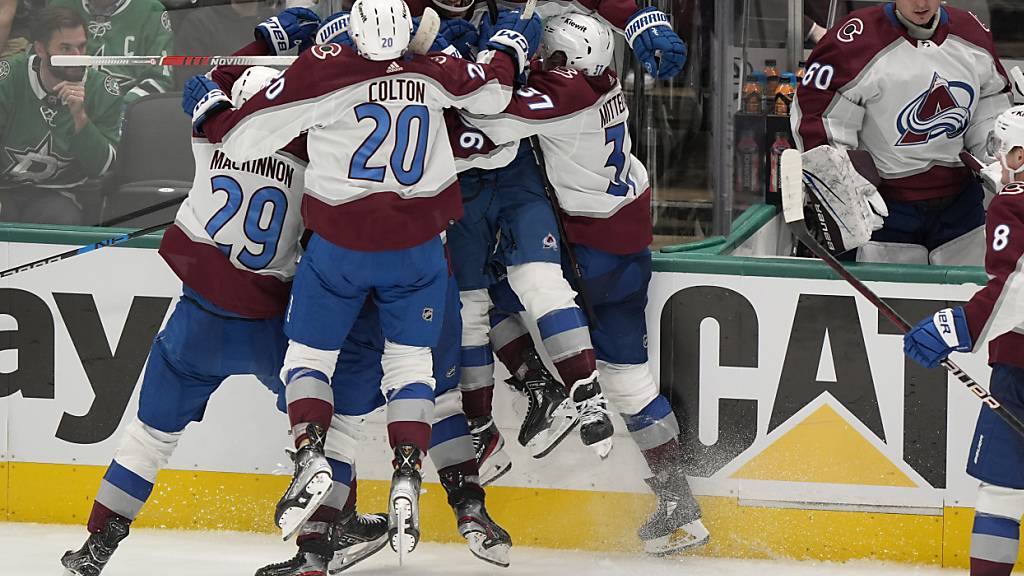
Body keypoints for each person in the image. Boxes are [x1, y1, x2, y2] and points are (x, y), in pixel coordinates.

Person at [186, 0, 536, 554]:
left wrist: (213, 103)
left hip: (340, 259)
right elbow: (497, 121)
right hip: (420, 262)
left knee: (324, 387)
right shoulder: (437, 72)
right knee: (427, 384)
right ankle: (435, 492)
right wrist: (507, 48)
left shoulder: (325, 71)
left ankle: (311, 474)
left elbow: (247, 131)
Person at [59, 64, 391, 576]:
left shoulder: (210, 141)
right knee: (330, 422)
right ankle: (326, 536)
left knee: (149, 438)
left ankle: (97, 546)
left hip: (195, 327)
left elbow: (209, 82)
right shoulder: (312, 163)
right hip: (267, 327)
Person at [460, 13, 710, 556]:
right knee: (631, 380)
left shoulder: (562, 94)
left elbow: (491, 117)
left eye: (547, 58)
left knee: (487, 297)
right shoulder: (604, 83)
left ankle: (542, 387)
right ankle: (678, 501)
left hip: (588, 251)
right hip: (630, 247)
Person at [792, 0, 1012, 265]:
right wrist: (844, 184)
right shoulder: (853, 40)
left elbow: (989, 105)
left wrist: (998, 156)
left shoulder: (970, 32)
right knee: (886, 301)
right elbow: (819, 117)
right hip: (885, 209)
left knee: (964, 298)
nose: (921, 3)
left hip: (961, 207)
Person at [902, 105, 1024, 576]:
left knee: (1003, 490)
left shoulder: (1014, 204)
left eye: (1002, 149)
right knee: (1003, 489)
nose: (996, 159)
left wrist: (955, 327)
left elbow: (1015, 287)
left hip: (1020, 369)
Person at [0, 6, 122, 225]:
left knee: (61, 218)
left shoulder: (102, 89)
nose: (77, 57)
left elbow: (104, 167)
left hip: (60, 194)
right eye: (65, 49)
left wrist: (80, 118)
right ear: (40, 49)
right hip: (3, 189)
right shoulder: (8, 79)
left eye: (81, 47)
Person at [48, 0, 173, 102]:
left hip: (125, 114)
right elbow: (36, 65)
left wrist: (119, 109)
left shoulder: (152, 11)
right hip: (63, 107)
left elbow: (160, 79)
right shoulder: (59, 5)